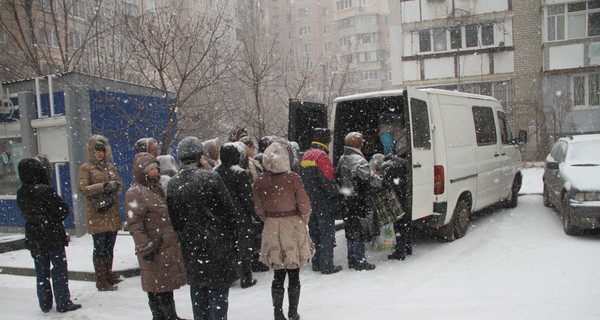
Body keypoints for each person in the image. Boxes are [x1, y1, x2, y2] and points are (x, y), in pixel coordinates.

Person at [167, 137, 239, 320]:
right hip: (216, 246)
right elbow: (230, 212)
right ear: (200, 156)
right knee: (218, 295)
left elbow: (174, 220)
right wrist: (230, 238)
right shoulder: (211, 178)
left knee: (198, 293)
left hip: (191, 248)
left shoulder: (174, 183)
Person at [252, 141, 315, 320]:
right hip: (293, 224)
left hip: (272, 225)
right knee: (293, 271)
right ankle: (293, 312)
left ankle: (277, 312)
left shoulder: (260, 180)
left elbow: (258, 209)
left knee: (278, 273)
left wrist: (270, 219)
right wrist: (302, 219)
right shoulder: (293, 178)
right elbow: (304, 204)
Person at [125, 152, 188, 320]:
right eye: (150, 169)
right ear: (141, 171)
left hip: (163, 246)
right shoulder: (135, 193)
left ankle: (169, 316)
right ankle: (164, 317)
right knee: (158, 288)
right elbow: (134, 224)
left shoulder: (155, 188)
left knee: (164, 287)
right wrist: (145, 246)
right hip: (153, 249)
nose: (155, 172)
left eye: (156, 168)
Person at [16, 157, 82, 314]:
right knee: (59, 268)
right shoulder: (45, 191)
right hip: (52, 236)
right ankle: (63, 302)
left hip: (34, 236)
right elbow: (62, 210)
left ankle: (45, 303)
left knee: (41, 271)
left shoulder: (22, 192)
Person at [78, 135, 124, 291]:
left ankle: (109, 275)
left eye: (102, 151)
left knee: (109, 247)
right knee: (100, 247)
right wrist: (103, 186)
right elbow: (83, 189)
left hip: (112, 212)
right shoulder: (86, 168)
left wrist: (115, 186)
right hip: (97, 214)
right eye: (97, 151)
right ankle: (101, 280)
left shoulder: (110, 167)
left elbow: (120, 185)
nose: (100, 154)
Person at [336, 132, 382, 271]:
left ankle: (352, 260)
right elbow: (369, 179)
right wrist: (380, 180)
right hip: (358, 201)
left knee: (350, 230)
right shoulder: (359, 161)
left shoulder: (342, 158)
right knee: (360, 231)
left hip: (346, 199)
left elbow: (338, 177)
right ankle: (360, 261)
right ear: (359, 144)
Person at [299, 128, 342, 275]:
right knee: (327, 233)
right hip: (323, 201)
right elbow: (328, 182)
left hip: (309, 202)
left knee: (315, 233)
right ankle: (327, 265)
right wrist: (338, 194)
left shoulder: (306, 155)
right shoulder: (322, 156)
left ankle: (316, 263)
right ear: (326, 141)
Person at [215, 143, 258, 289]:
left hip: (221, 216)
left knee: (227, 246)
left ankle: (227, 276)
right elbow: (247, 198)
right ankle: (246, 278)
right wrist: (256, 215)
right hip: (239, 216)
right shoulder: (240, 174)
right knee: (244, 247)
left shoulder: (215, 172)